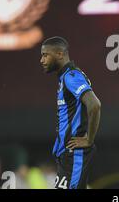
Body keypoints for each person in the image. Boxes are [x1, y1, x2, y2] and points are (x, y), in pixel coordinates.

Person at [40, 36, 101, 189]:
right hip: (66, 155)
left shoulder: (71, 76)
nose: (42, 60)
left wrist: (89, 139)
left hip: (74, 154)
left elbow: (94, 105)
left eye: (45, 55)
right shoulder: (64, 78)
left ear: (60, 54)